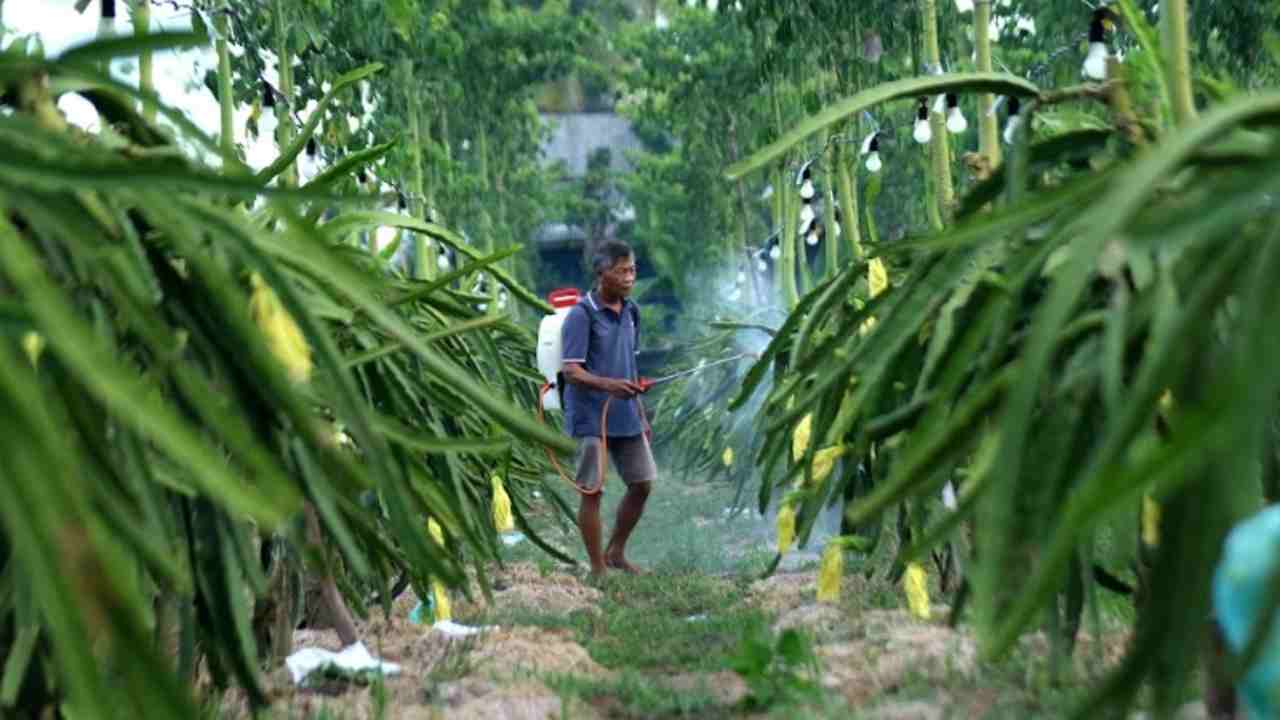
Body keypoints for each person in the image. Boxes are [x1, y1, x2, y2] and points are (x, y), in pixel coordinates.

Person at [560, 240, 656, 578]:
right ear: (602, 273)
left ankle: (615, 550)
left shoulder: (632, 312)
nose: (630, 277)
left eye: (632, 270)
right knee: (592, 492)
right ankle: (597, 568)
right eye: (622, 271)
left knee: (643, 483)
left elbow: (629, 363)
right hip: (590, 418)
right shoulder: (581, 315)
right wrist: (609, 385)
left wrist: (641, 412)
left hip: (626, 414)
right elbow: (572, 371)